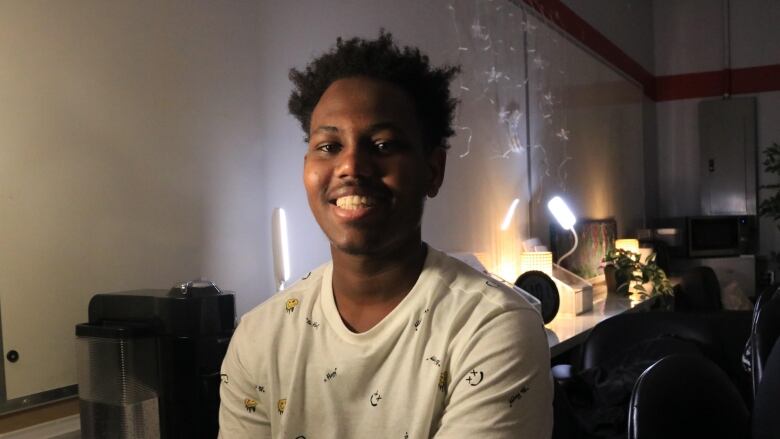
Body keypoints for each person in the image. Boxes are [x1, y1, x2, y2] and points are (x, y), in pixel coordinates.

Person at [218, 31, 553, 438]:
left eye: (382, 144)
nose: (351, 167)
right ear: (306, 165)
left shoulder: (491, 327)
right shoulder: (259, 337)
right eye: (329, 146)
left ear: (433, 171)